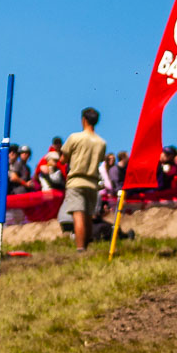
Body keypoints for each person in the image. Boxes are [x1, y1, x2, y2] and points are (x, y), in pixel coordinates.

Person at [59, 107, 108, 251]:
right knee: (88, 216)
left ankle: (81, 249)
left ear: (84, 120)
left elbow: (63, 159)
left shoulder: (75, 137)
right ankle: (86, 245)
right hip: (92, 183)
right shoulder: (101, 142)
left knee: (78, 215)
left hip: (76, 180)